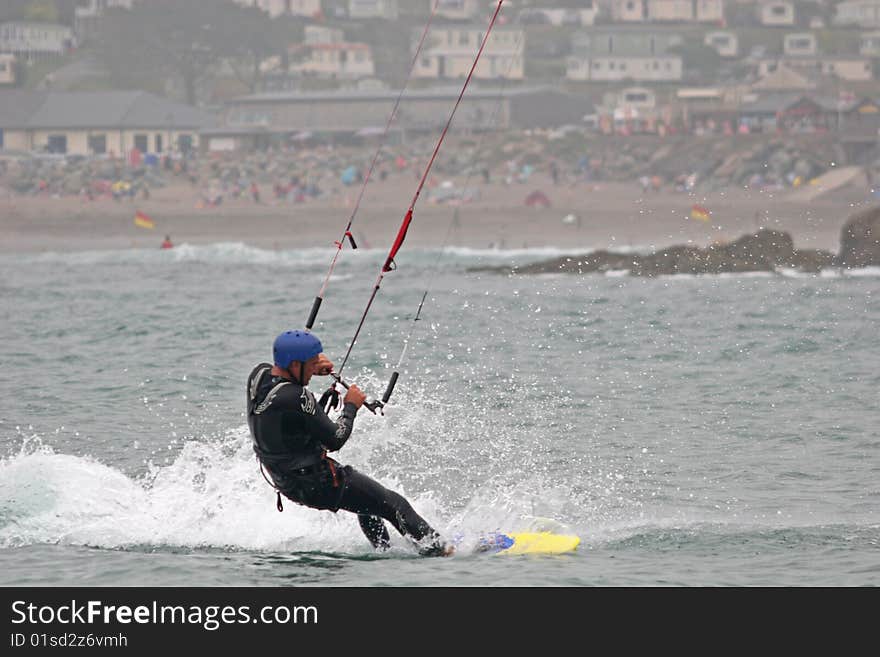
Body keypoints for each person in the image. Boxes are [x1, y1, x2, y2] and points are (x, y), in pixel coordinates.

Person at [246, 330, 453, 557]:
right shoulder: (297, 397)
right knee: (395, 505)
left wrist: (311, 366)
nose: (315, 368)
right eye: (312, 363)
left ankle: (384, 551)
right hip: (317, 483)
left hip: (285, 479)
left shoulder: (259, 375)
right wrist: (350, 407)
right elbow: (336, 439)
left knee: (368, 503)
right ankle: (442, 551)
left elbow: (288, 393)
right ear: (295, 364)